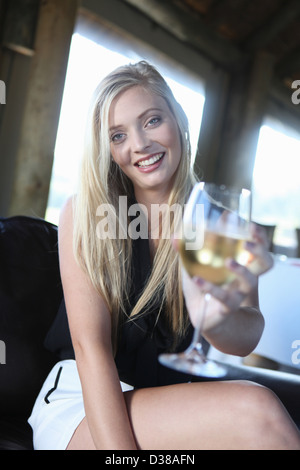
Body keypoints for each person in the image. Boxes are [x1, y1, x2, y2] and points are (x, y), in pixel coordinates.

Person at [28, 61, 300, 450]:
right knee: (257, 410)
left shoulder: (219, 224)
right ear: (107, 149)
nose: (139, 144)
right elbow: (92, 351)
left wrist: (219, 320)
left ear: (179, 120)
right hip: (86, 404)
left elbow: (241, 340)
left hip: (168, 403)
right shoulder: (88, 214)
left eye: (152, 120)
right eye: (118, 135)